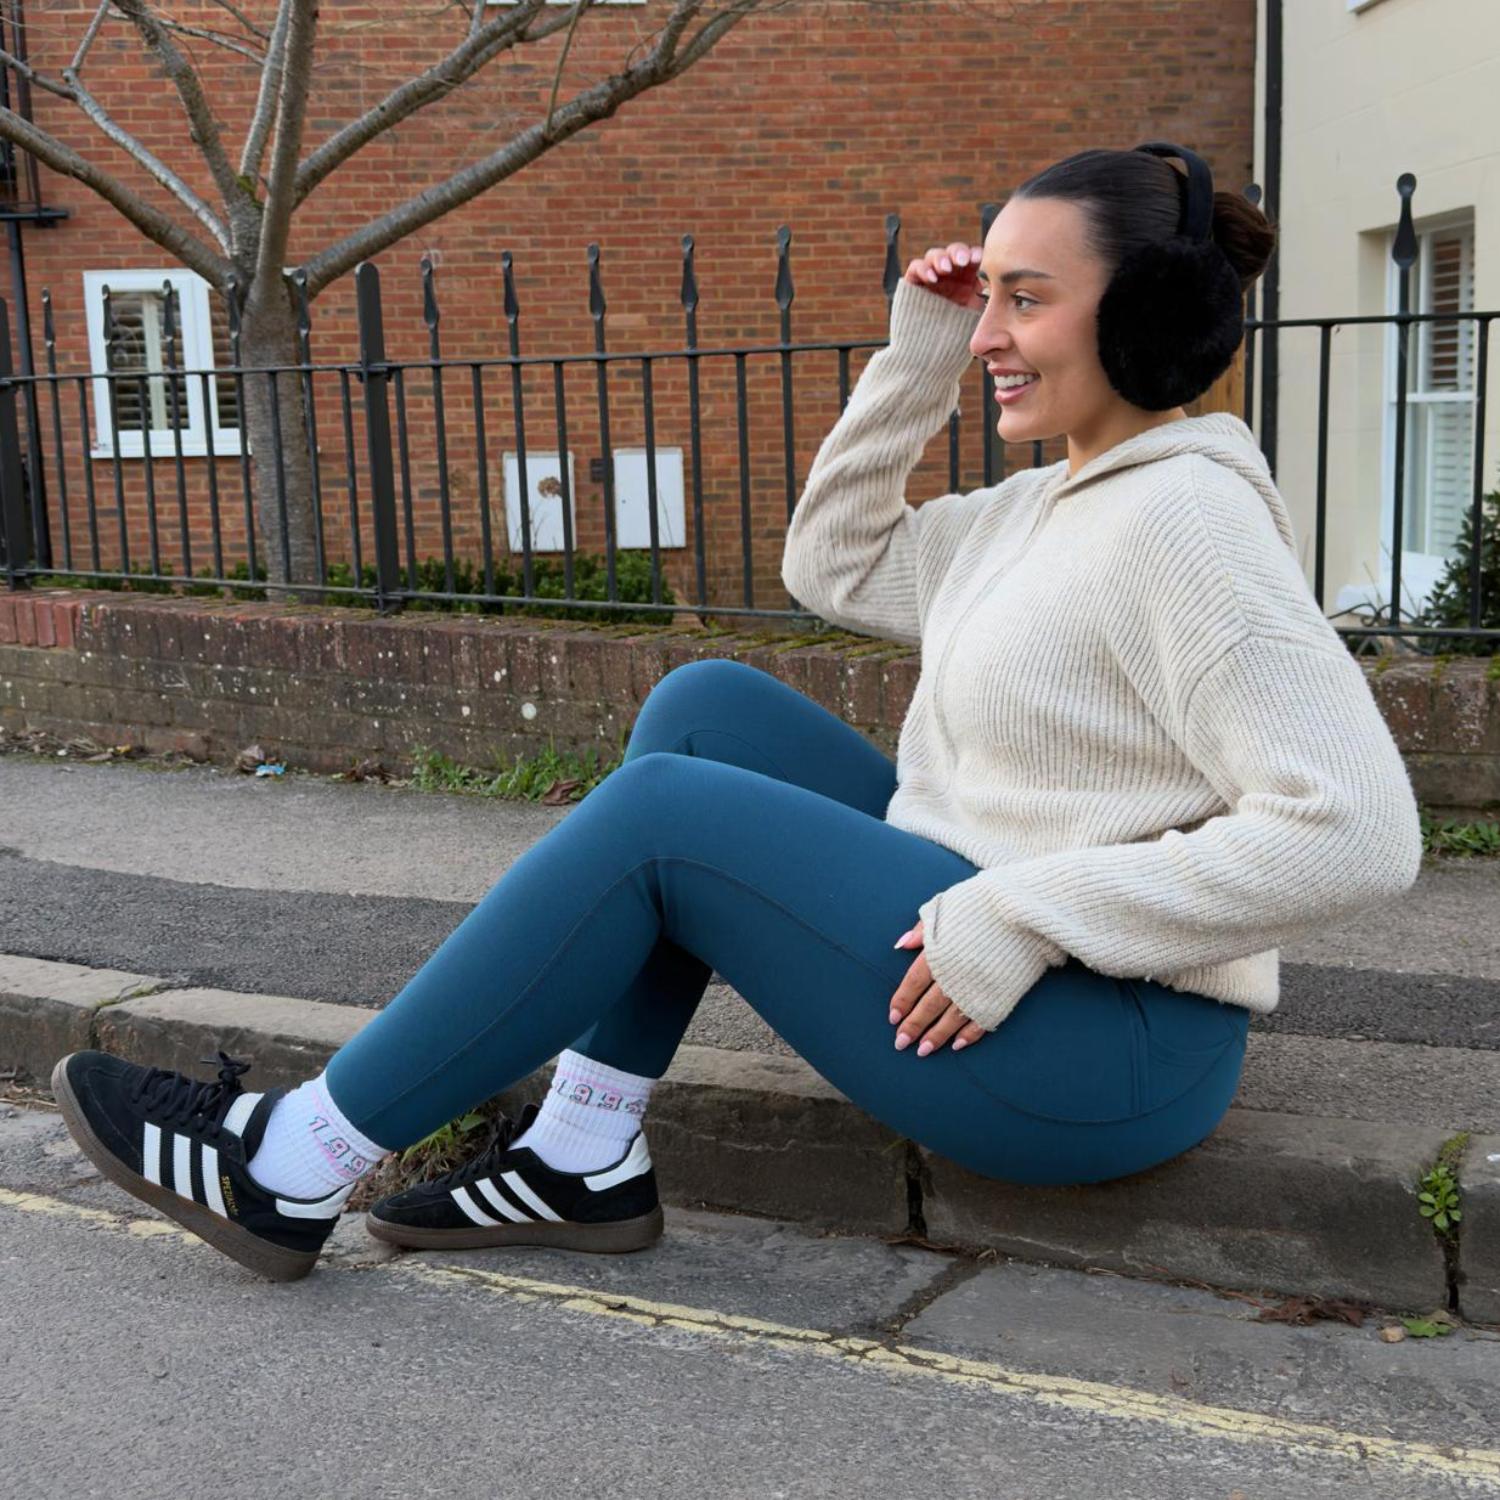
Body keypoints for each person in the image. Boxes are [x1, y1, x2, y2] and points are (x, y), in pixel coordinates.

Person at [51, 142, 1425, 1284]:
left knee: (665, 819)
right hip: (998, 959)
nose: (994, 333)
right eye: (988, 298)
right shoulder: (1046, 504)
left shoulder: (1187, 522)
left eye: (1025, 300)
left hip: (1100, 1053)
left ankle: (292, 1166)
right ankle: (587, 1150)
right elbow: (832, 564)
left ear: (1146, 320)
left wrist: (1026, 912)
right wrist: (921, 356)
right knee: (704, 711)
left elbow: (1357, 832)